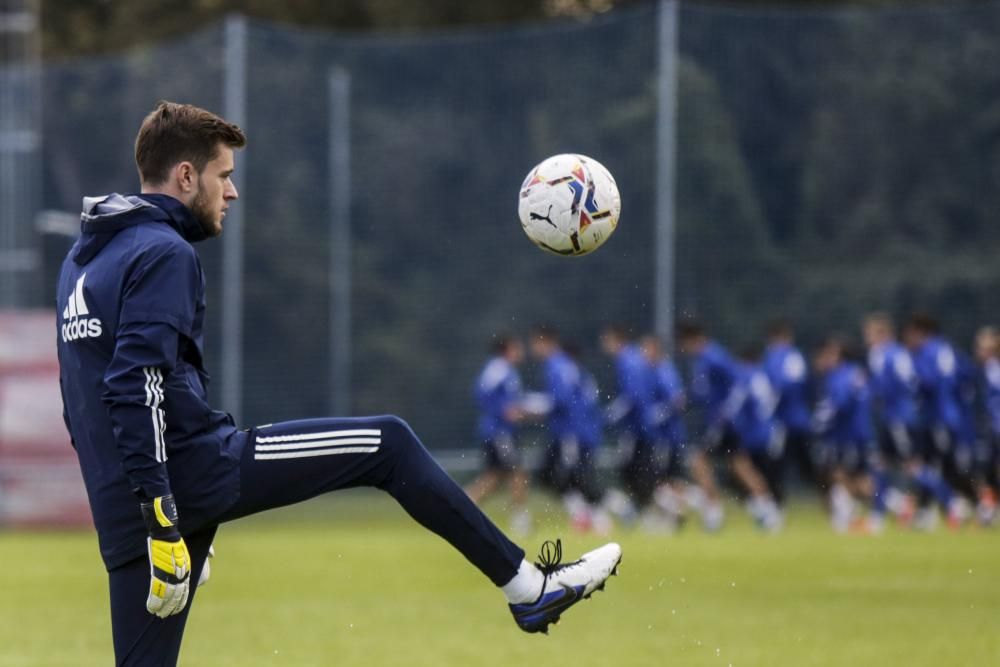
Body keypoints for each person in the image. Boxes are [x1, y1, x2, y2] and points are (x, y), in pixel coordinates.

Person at [55, 101, 621, 664]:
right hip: (183, 481)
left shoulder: (86, 260)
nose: (231, 192)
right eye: (223, 175)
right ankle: (529, 589)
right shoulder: (164, 251)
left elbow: (79, 401)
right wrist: (164, 517)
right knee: (389, 443)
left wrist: (144, 511)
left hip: (122, 497)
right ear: (185, 175)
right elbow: (136, 385)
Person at [528, 328, 609, 533]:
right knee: (550, 475)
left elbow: (561, 401)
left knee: (573, 477)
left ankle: (601, 518)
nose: (533, 349)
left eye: (535, 344)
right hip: (571, 431)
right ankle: (584, 516)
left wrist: (530, 408)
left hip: (570, 433)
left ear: (544, 342)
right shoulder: (567, 366)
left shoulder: (557, 366)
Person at [904, 314, 979, 527]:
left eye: (910, 333)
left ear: (920, 332)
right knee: (936, 464)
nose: (908, 338)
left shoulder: (926, 352)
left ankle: (963, 504)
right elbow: (967, 375)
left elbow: (929, 382)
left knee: (940, 466)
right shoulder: (948, 349)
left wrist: (914, 378)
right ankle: (927, 512)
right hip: (948, 416)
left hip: (937, 418)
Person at [811, 337, 884, 532]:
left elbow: (838, 406)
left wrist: (818, 423)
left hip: (847, 435)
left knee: (842, 475)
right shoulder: (857, 373)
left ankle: (889, 506)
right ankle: (863, 512)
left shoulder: (839, 377)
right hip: (861, 431)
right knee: (852, 476)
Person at [465, 335, 531, 535]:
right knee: (518, 472)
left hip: (503, 431)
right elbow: (480, 392)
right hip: (499, 432)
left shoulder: (507, 371)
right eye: (517, 346)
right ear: (508, 349)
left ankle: (461, 506)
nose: (521, 350)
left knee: (494, 477)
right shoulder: (498, 367)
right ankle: (520, 520)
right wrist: (503, 410)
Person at [675, 320, 735, 531]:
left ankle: (713, 513)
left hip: (722, 420)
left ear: (692, 339)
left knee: (698, 460)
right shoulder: (705, 358)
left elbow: (737, 383)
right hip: (718, 419)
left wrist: (726, 413)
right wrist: (687, 398)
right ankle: (767, 510)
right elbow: (702, 391)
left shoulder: (713, 356)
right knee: (739, 463)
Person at [599, 325, 659, 522]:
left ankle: (646, 512)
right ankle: (645, 511)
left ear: (615, 339)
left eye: (606, 340)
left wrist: (610, 415)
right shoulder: (635, 358)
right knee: (638, 470)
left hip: (635, 428)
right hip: (643, 426)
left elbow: (631, 398)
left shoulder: (627, 361)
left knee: (631, 471)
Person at [762, 320, 814, 503]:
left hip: (785, 423)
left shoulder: (778, 357)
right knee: (805, 469)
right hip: (796, 420)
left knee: (775, 466)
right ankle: (836, 502)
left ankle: (776, 508)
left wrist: (767, 411)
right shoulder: (794, 357)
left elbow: (778, 389)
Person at [974, 326, 999, 524]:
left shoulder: (992, 369)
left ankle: (989, 509)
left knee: (988, 469)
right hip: (991, 427)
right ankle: (989, 507)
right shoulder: (987, 370)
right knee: (987, 470)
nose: (978, 352)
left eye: (981, 348)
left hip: (996, 427)